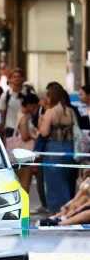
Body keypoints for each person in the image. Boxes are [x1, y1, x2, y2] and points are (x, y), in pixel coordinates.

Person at [38, 82, 77, 213]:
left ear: (51, 97)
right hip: (69, 147)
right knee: (67, 180)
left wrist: (41, 119)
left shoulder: (50, 112)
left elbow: (44, 132)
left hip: (54, 148)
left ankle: (56, 210)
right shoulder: (70, 111)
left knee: (54, 182)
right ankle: (68, 208)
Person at [0, 68, 28, 138]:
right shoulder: (5, 95)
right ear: (10, 79)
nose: (17, 79)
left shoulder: (29, 94)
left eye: (19, 77)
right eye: (14, 77)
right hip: (10, 129)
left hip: (26, 130)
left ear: (23, 79)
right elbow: (2, 112)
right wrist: (2, 127)